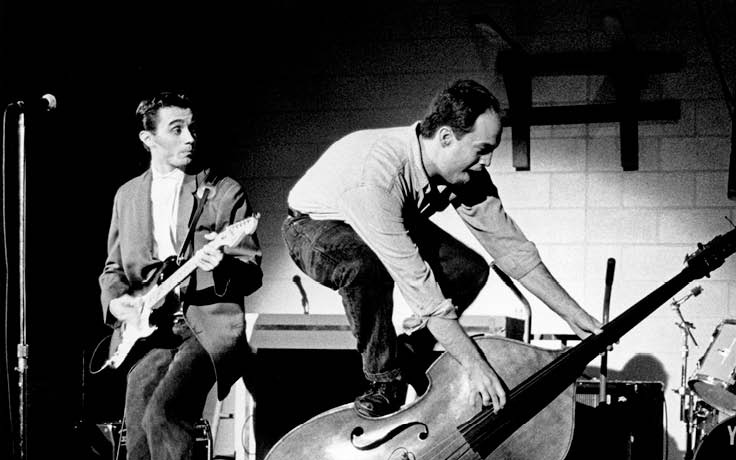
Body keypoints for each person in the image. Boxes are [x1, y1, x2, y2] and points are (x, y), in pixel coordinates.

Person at [282, 79, 602, 418]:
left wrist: (574, 315)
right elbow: (419, 286)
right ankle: (385, 381)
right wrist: (475, 365)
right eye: (481, 149)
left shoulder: (466, 173)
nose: (487, 162)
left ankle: (408, 352)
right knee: (364, 266)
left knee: (469, 270)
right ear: (446, 137)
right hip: (313, 227)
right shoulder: (379, 176)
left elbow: (513, 250)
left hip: (388, 215)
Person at [99, 91, 262, 460]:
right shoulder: (127, 195)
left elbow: (251, 271)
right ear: (148, 138)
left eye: (192, 128)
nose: (190, 138)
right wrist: (116, 302)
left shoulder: (222, 191)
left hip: (206, 325)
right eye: (176, 129)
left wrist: (221, 264)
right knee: (137, 428)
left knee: (165, 414)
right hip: (153, 329)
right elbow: (114, 268)